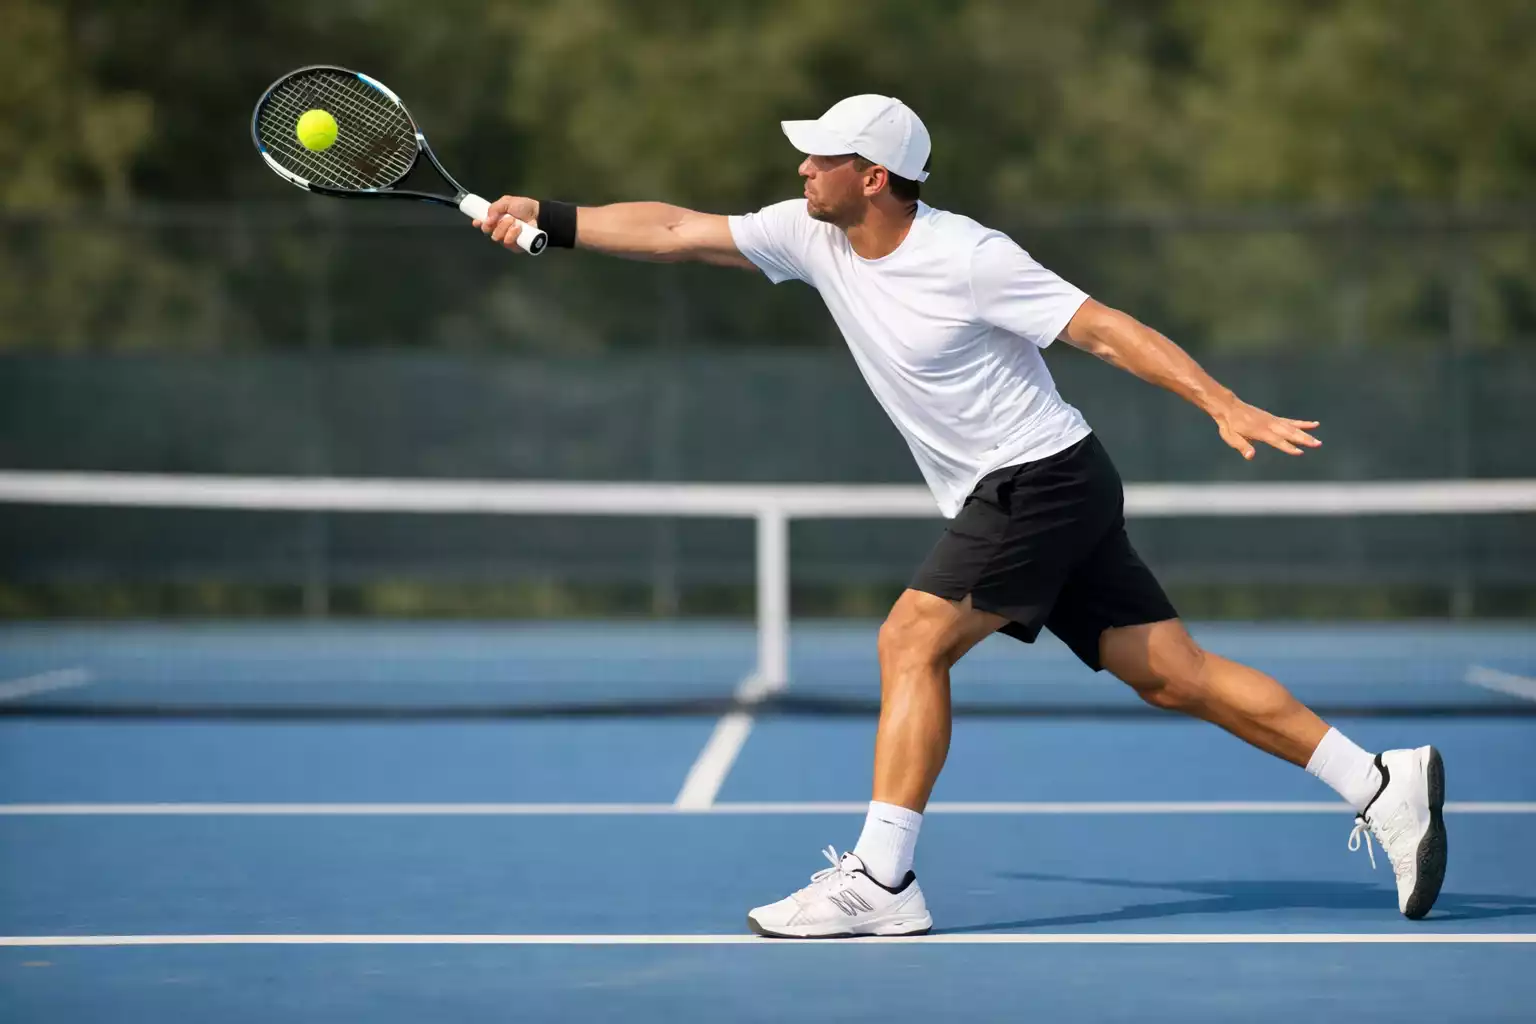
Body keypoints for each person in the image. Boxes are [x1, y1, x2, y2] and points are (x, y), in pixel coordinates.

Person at [475, 95, 1447, 936]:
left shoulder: (969, 256)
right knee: (1171, 674)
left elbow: (1105, 330)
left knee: (911, 640)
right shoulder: (811, 236)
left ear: (873, 176)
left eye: (820, 157)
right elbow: (676, 230)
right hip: (1046, 483)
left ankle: (882, 880)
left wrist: (1221, 403)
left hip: (1039, 477)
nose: (802, 168)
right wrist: (552, 218)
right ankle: (1378, 782)